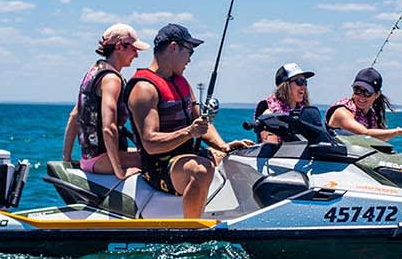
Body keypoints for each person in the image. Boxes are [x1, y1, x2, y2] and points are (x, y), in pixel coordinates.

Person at [125, 23, 252, 218]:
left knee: (241, 158)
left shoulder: (181, 82)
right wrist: (189, 133)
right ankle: (191, 229)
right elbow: (150, 143)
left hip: (187, 155)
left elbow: (201, 123)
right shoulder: (144, 88)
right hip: (159, 166)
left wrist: (223, 146)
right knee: (200, 170)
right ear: (173, 47)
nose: (190, 59)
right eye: (189, 52)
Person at [62, 23, 150, 180]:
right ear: (119, 47)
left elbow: (74, 116)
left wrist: (66, 160)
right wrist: (120, 173)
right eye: (134, 49)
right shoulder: (111, 80)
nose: (136, 55)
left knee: (147, 152)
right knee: (155, 161)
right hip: (102, 161)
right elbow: (109, 128)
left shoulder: (94, 71)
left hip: (89, 158)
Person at [325, 67, 402, 141]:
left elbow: (378, 138)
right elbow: (364, 134)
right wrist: (400, 132)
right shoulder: (341, 112)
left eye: (367, 92)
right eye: (357, 90)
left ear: (377, 94)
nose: (361, 96)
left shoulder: (371, 116)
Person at [254, 63, 315, 143]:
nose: (304, 87)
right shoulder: (269, 115)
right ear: (285, 86)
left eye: (305, 82)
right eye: (299, 82)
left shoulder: (304, 113)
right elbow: (271, 149)